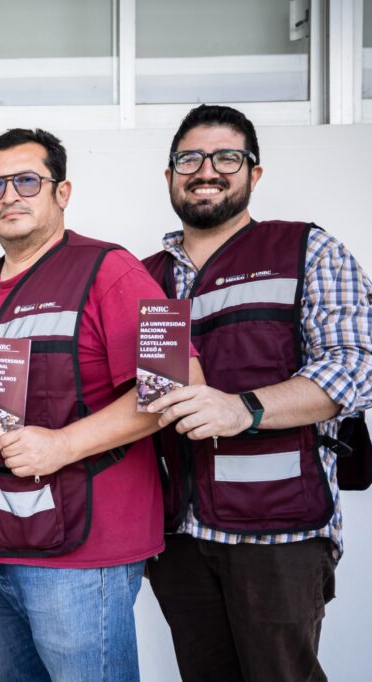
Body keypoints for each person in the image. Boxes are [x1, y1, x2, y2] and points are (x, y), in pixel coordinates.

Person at [0, 128, 202, 682]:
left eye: (26, 181)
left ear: (62, 193)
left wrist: (63, 444)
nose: (9, 196)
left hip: (83, 557)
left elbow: (178, 385)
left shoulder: (112, 269)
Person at [142, 104, 372, 682]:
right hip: (178, 535)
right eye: (189, 159)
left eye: (227, 157)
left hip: (280, 530)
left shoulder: (307, 250)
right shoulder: (142, 277)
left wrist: (240, 408)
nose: (206, 171)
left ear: (254, 172)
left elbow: (357, 365)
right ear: (169, 174)